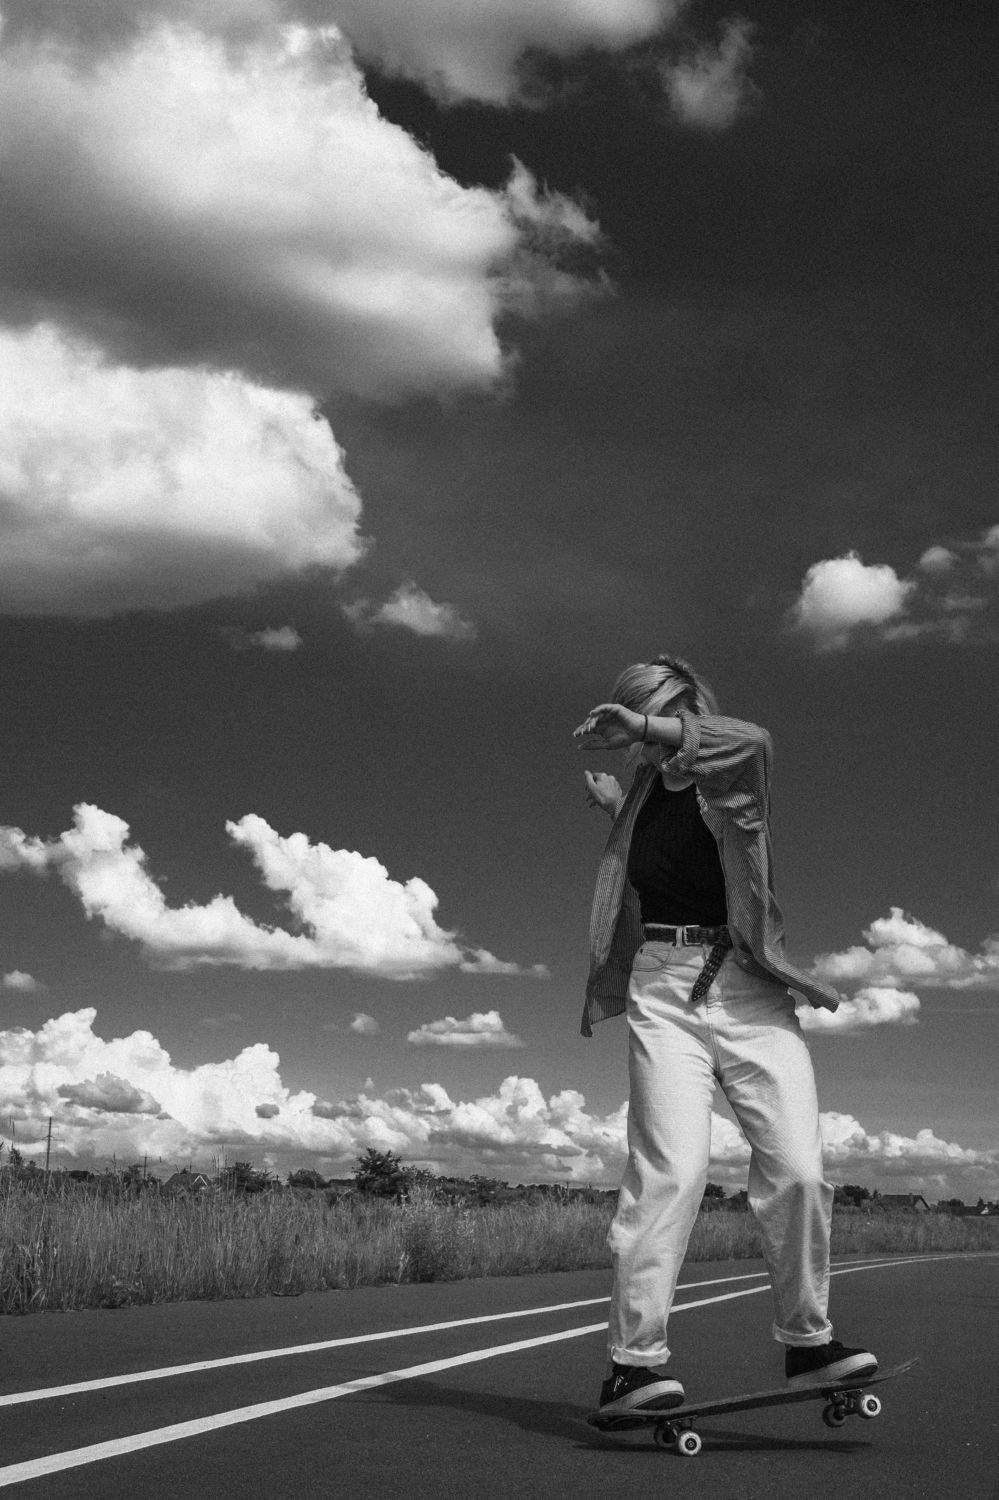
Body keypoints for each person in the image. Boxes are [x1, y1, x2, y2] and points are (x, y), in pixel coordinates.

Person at [573, 652, 876, 1417]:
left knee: (798, 1170)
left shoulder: (733, 775)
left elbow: (754, 740)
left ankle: (807, 1342)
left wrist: (644, 725)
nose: (651, 733)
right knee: (670, 1173)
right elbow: (660, 858)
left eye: (663, 715)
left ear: (689, 715)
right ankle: (632, 1366)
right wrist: (614, 805)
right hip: (663, 989)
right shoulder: (641, 798)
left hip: (747, 990)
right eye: (640, 717)